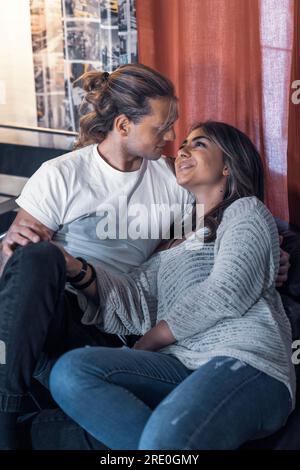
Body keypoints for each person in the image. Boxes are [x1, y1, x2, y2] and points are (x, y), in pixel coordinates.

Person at [49, 121, 296, 450]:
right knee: (71, 372)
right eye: (184, 144)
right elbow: (134, 302)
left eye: (199, 144)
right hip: (179, 366)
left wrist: (151, 340)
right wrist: (74, 267)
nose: (182, 150)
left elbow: (226, 291)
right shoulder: (169, 243)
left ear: (228, 166)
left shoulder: (246, 212)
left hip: (246, 361)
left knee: (165, 438)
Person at [0, 63, 192, 449]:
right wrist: (10, 249)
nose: (173, 136)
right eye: (162, 126)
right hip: (53, 310)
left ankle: (45, 406)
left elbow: (219, 220)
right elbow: (16, 272)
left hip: (110, 318)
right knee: (40, 257)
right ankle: (8, 409)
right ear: (123, 126)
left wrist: (265, 254)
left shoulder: (172, 181)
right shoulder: (62, 175)